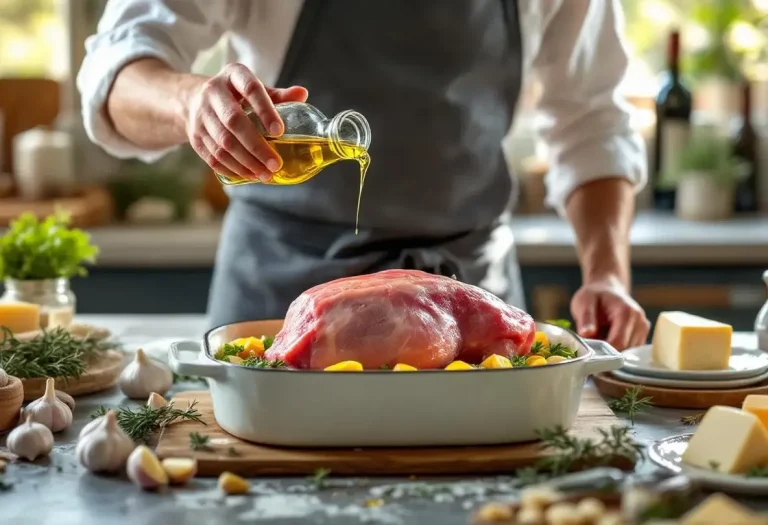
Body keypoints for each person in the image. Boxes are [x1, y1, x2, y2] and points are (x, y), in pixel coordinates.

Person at [78, 0, 650, 349]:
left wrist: (607, 275)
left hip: (469, 303)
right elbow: (115, 73)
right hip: (281, 293)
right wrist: (191, 103)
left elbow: (592, 121)